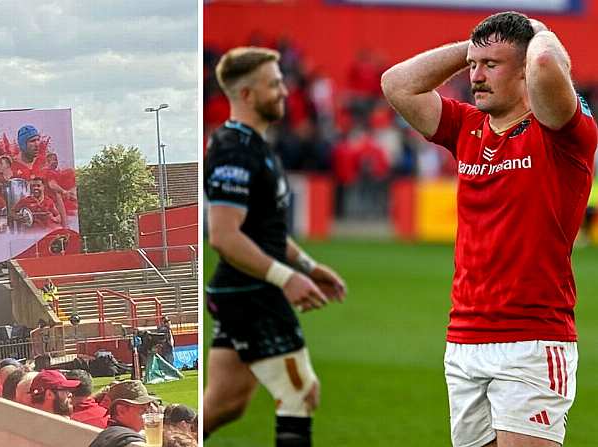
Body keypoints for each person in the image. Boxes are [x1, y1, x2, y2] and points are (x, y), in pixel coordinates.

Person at [381, 11, 597, 447]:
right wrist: (474, 49)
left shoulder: (561, 132)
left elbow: (544, 66)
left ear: (522, 71)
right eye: (473, 66)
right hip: (463, 340)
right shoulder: (467, 127)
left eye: (491, 66)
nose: (475, 77)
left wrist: (535, 31)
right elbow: (396, 84)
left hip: (532, 339)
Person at [203, 47, 347, 447]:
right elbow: (225, 236)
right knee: (300, 392)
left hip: (242, 290)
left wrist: (307, 265)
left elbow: (263, 230)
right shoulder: (233, 150)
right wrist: (286, 279)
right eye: (274, 83)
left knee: (226, 402)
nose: (284, 91)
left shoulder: (255, 146)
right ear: (247, 94)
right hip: (251, 292)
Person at [88, 380, 159, 447]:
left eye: (149, 407)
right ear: (121, 410)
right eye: (143, 410)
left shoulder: (109, 435)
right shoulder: (127, 441)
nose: (148, 414)